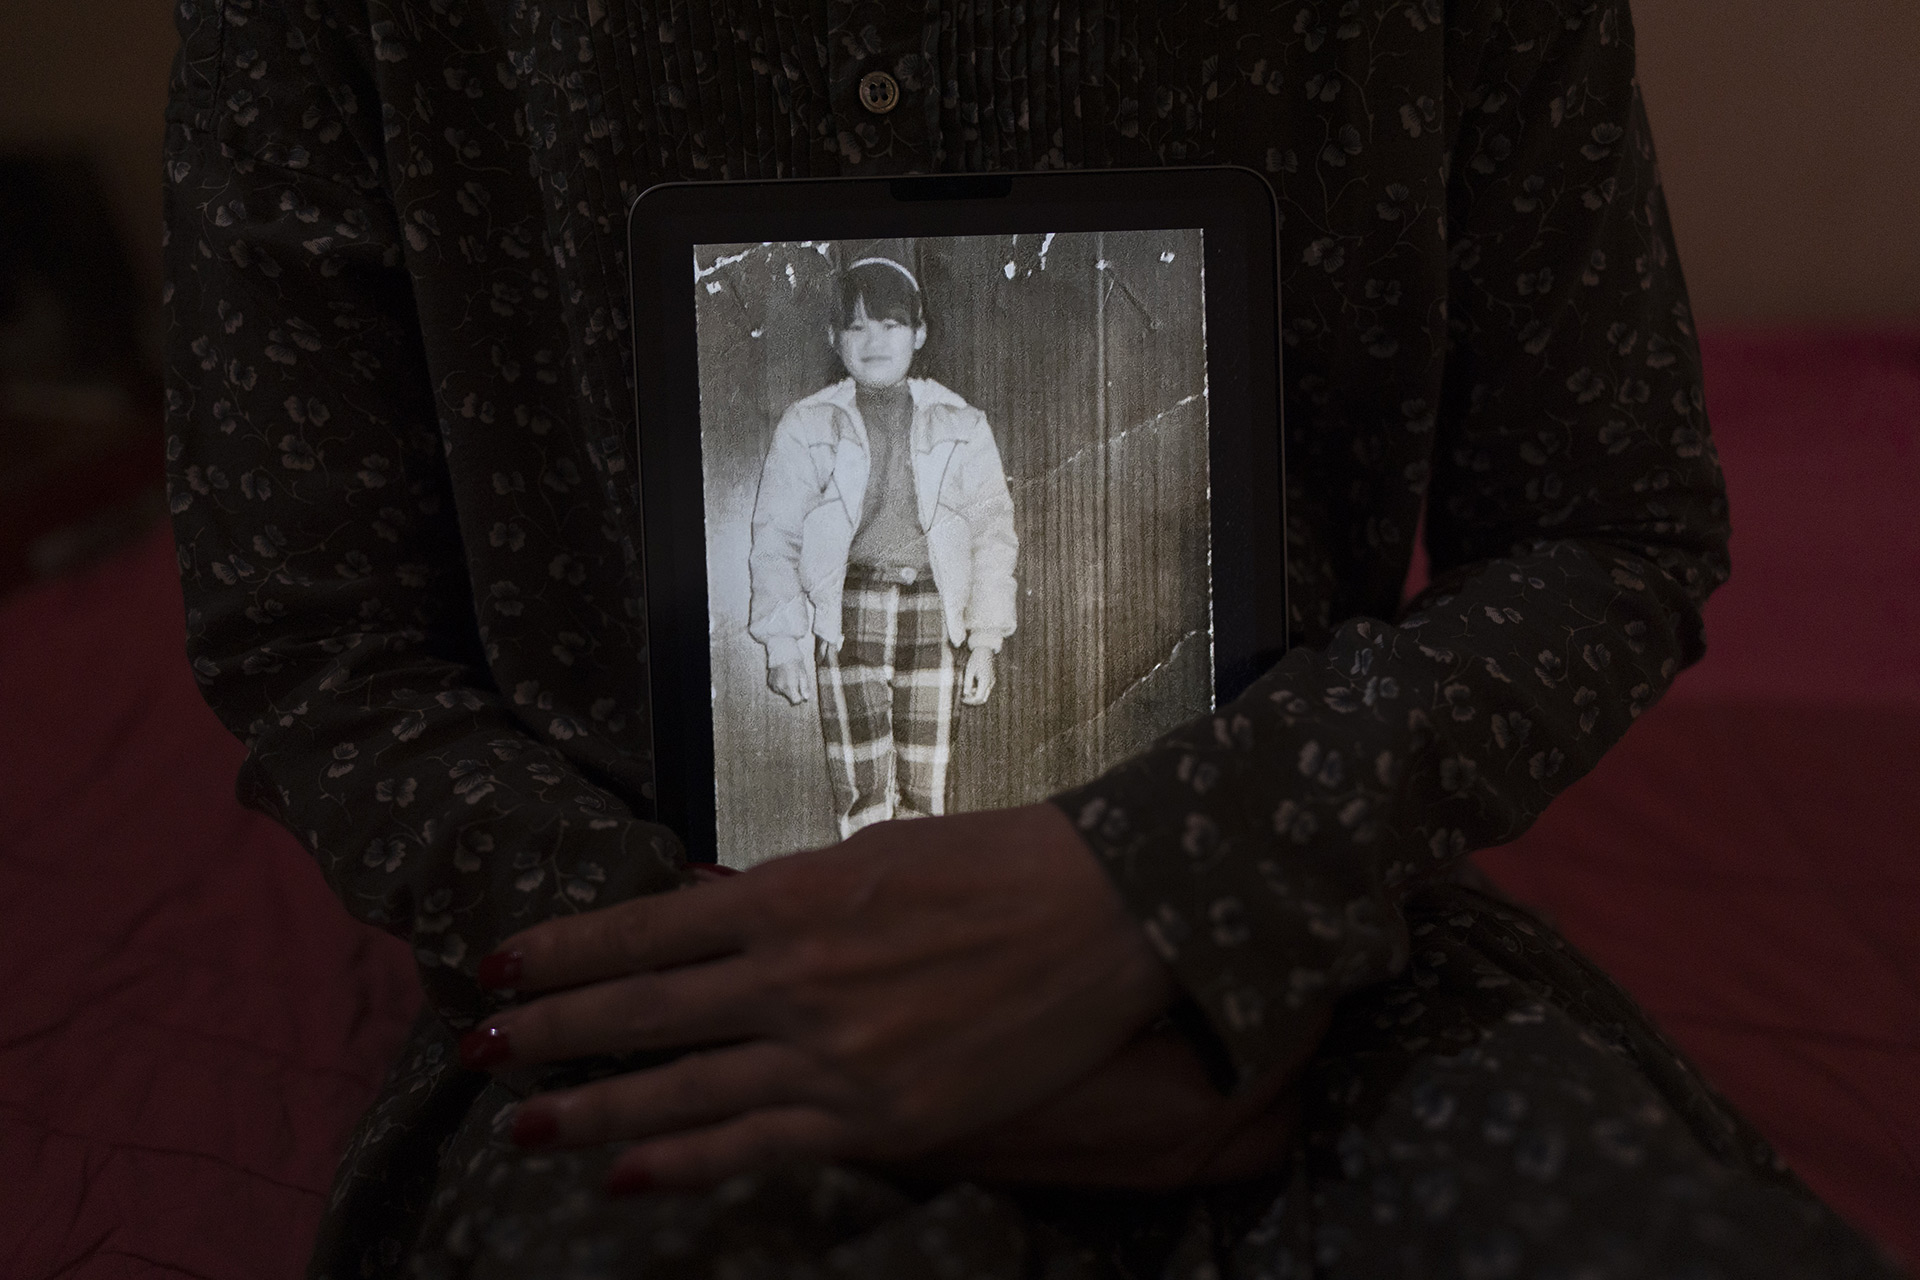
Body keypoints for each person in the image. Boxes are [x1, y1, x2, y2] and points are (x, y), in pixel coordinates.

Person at [158, 0, 1904, 1275]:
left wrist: (1168, 890)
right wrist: (783, 996)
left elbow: (1614, 524)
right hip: (659, 1010)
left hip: (1305, 961)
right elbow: (322, 638)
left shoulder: (968, 435)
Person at [746, 256, 1017, 834]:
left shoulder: (962, 422)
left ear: (919, 334)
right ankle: (867, 912)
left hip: (934, 611)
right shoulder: (807, 423)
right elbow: (776, 535)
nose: (874, 342)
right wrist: (783, 643)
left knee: (926, 782)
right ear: (833, 338)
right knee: (860, 784)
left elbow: (993, 533)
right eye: (857, 326)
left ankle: (920, 914)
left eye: (891, 325)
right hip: (847, 612)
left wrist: (986, 640)